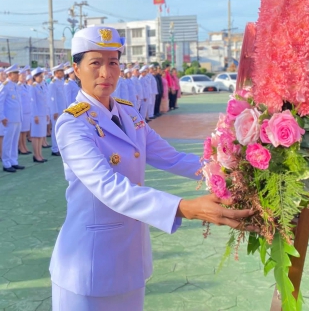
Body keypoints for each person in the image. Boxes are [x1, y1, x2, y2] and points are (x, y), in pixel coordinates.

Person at [49, 27, 253, 310]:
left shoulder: (128, 113)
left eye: (113, 62)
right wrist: (185, 208)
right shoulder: (73, 124)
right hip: (89, 263)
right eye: (95, 63)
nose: (106, 73)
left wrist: (231, 172)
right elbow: (108, 187)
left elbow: (172, 158)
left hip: (130, 259)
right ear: (76, 69)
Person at [0, 65, 23, 172]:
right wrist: (1, 117)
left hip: (17, 117)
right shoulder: (5, 86)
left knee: (15, 141)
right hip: (9, 119)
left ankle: (14, 161)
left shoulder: (15, 86)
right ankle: (6, 163)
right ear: (10, 75)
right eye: (16, 74)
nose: (18, 75)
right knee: (8, 141)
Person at [30, 68, 49, 164]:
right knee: (36, 136)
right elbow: (32, 103)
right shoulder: (33, 87)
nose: (42, 78)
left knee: (41, 135)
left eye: (42, 76)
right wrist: (35, 115)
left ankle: (40, 154)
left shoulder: (42, 86)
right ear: (35, 77)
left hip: (43, 113)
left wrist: (47, 113)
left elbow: (45, 101)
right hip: (37, 115)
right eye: (40, 76)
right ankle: (36, 155)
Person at [48, 64, 66, 157]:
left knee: (62, 130)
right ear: (56, 73)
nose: (63, 73)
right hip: (56, 111)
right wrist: (54, 111)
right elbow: (52, 99)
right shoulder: (53, 83)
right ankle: (55, 149)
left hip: (62, 110)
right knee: (56, 130)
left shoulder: (61, 82)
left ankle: (60, 148)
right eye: (61, 71)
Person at [18, 69, 32, 155]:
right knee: (21, 131)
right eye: (22, 76)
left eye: (24, 76)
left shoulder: (26, 86)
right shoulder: (18, 86)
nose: (24, 78)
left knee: (25, 131)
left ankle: (24, 146)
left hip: (27, 111)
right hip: (22, 112)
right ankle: (21, 147)